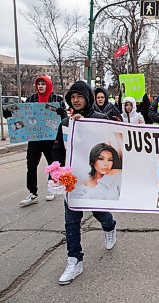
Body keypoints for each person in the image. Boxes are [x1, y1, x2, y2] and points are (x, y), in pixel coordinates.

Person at [52, 81, 117, 285]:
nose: (76, 100)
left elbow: (112, 143)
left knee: (99, 212)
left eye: (79, 96)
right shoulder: (65, 123)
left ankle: (110, 226)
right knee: (71, 221)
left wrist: (84, 126)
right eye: (72, 97)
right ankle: (75, 260)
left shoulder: (99, 119)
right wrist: (56, 174)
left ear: (87, 97)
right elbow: (57, 151)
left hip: (94, 180)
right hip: (72, 182)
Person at [20, 75, 66, 206]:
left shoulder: (57, 99)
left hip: (51, 138)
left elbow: (64, 117)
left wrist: (62, 113)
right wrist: (10, 114)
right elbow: (22, 115)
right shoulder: (31, 99)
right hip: (34, 138)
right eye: (38, 84)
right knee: (31, 165)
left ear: (48, 85)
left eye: (43, 84)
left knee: (52, 164)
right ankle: (32, 192)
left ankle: (52, 188)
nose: (40, 86)